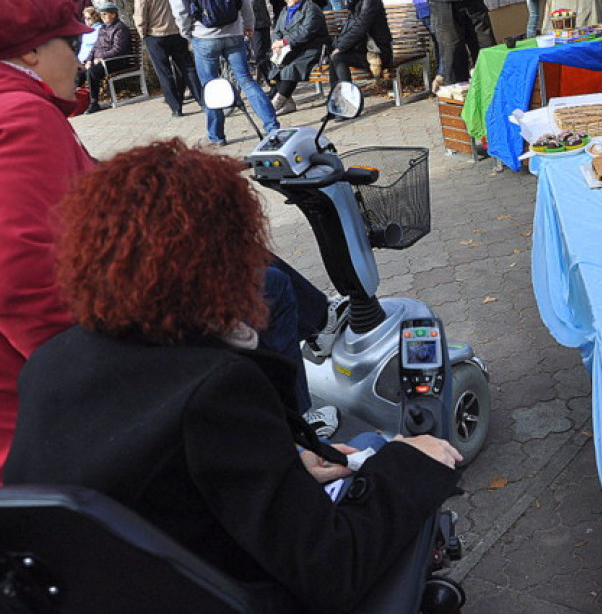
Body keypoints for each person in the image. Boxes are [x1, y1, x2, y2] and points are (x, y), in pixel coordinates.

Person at [2, 139, 463, 611]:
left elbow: (147, 480)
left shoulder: (51, 362)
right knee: (388, 458)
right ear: (225, 258)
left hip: (102, 591)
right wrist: (413, 463)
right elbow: (331, 567)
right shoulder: (215, 387)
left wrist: (281, 465)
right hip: (224, 593)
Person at [0, 0, 94, 480]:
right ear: (32, 52)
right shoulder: (20, 114)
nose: (79, 60)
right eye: (71, 44)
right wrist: (96, 377)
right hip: (34, 420)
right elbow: (20, 273)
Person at [168, 0, 278, 146]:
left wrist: (188, 33)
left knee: (210, 86)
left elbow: (179, 6)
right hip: (233, 29)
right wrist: (248, 23)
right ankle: (272, 127)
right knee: (246, 80)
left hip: (204, 35)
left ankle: (216, 137)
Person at [127, 0, 203, 118]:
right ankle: (202, 100)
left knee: (164, 73)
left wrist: (142, 32)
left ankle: (176, 108)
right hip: (176, 31)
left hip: (155, 35)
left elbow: (141, 14)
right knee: (187, 67)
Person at [268, 0, 329, 115]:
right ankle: (288, 102)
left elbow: (305, 32)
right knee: (269, 60)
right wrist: (276, 44)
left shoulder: (311, 9)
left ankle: (277, 102)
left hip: (312, 48)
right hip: (291, 48)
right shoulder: (285, 10)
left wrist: (283, 42)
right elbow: (277, 30)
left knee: (291, 66)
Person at [330, 0, 393, 86]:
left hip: (377, 52)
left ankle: (345, 96)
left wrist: (342, 47)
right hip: (362, 49)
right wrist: (338, 45)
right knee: (335, 56)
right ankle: (336, 96)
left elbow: (361, 26)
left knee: (338, 57)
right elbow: (351, 27)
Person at [82, 1, 132, 114]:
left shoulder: (119, 28)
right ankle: (79, 102)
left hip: (118, 60)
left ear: (113, 14)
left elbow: (118, 49)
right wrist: (89, 60)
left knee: (93, 72)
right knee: (80, 71)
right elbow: (95, 47)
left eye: (105, 14)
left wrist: (102, 57)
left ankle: (94, 103)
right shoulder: (103, 28)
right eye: (101, 14)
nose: (102, 17)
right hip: (103, 60)